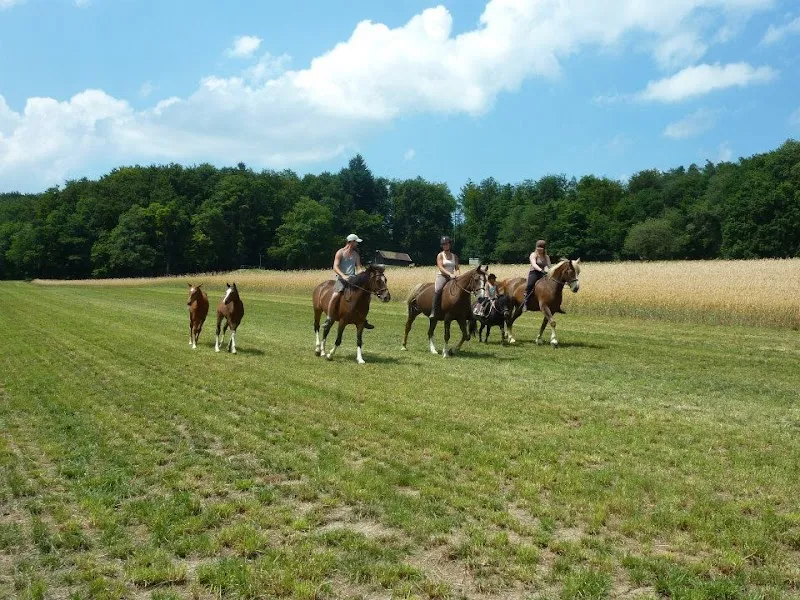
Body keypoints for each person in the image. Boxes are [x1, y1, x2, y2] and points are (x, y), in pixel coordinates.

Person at [322, 233, 374, 329]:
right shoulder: (340, 252)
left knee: (365, 296)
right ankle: (329, 319)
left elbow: (358, 267)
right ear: (351, 242)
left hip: (353, 279)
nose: (357, 244)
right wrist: (343, 276)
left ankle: (363, 319)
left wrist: (361, 273)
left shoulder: (356, 255)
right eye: (356, 242)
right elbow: (335, 267)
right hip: (341, 278)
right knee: (336, 295)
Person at [432, 235, 459, 319]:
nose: (445, 246)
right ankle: (434, 311)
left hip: (452, 277)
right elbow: (440, 267)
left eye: (447, 244)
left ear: (450, 245)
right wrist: (449, 274)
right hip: (442, 276)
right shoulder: (440, 255)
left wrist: (458, 275)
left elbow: (457, 268)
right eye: (443, 244)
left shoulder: (454, 256)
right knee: (438, 289)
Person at [523, 239, 551, 309]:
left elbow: (549, 266)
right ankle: (525, 303)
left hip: (543, 273)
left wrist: (549, 271)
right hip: (534, 272)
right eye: (538, 248)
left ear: (544, 249)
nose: (539, 249)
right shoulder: (533, 254)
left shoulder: (546, 257)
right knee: (530, 285)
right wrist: (541, 270)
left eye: (541, 248)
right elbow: (534, 264)